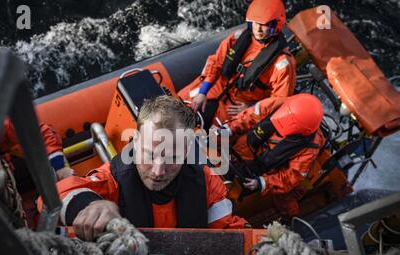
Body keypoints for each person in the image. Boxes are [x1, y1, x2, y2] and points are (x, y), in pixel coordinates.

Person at [44, 95, 249, 241]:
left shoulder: (206, 182)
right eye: (150, 155)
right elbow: (58, 195)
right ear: (136, 142)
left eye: (172, 158)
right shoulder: (114, 180)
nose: (158, 172)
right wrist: (89, 206)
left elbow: (228, 229)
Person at [178, 0, 296, 128]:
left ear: (276, 24)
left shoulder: (282, 64)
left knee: (215, 137)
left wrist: (250, 108)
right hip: (217, 86)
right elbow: (216, 63)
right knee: (177, 104)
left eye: (264, 25)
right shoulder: (237, 38)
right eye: (255, 23)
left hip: (239, 105)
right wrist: (203, 91)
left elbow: (278, 101)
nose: (258, 29)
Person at [221, 93, 325, 217]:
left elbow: (292, 176)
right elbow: (250, 116)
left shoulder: (309, 148)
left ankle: (288, 220)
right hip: (240, 150)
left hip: (262, 172)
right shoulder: (276, 104)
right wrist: (229, 128)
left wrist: (263, 183)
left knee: (285, 202)